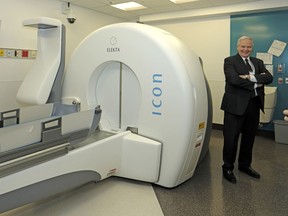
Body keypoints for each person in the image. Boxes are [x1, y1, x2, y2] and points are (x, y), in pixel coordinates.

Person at [221, 35, 273, 183]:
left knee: (249, 138)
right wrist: (258, 81)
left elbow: (269, 78)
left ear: (252, 47)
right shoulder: (230, 61)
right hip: (235, 106)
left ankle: (245, 165)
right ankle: (228, 167)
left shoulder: (258, 62)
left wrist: (249, 77)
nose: (246, 49)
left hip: (254, 105)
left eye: (248, 47)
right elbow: (234, 80)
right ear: (238, 47)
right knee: (231, 139)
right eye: (243, 46)